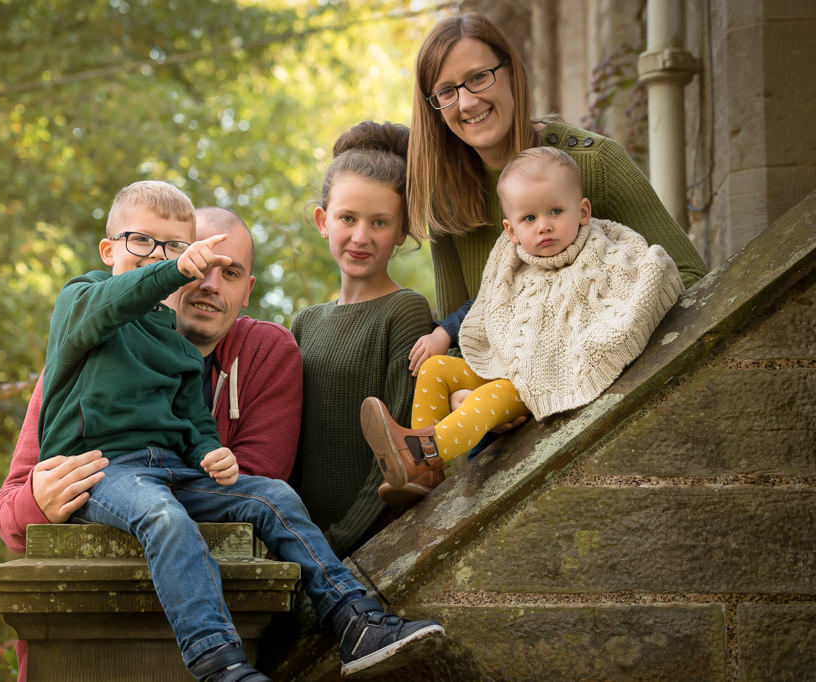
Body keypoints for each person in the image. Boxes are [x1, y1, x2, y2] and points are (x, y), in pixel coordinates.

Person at [34, 180, 445, 681]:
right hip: (103, 472)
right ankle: (220, 665)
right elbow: (116, 302)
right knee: (163, 517)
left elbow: (193, 421)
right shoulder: (81, 301)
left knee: (272, 496)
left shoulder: (177, 345)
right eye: (141, 241)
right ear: (109, 249)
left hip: (170, 470)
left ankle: (353, 619)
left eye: (172, 248)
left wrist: (211, 452)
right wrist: (174, 269)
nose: (155, 257)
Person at [362, 147, 685, 494]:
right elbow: (487, 305)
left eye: (556, 211)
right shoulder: (512, 265)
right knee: (436, 370)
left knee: (490, 397)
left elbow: (629, 295)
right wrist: (444, 331)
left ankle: (420, 452)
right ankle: (425, 476)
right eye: (529, 219)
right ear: (512, 231)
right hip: (509, 365)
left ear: (583, 211)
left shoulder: (600, 256)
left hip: (547, 375)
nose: (544, 225)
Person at [404, 12, 708, 376]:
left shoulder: (595, 162)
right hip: (505, 397)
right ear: (433, 108)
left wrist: (606, 348)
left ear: (512, 73)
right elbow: (463, 336)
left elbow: (691, 279)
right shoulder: (447, 200)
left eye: (479, 78)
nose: (466, 102)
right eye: (447, 91)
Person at [291, 121, 437, 551]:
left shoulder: (405, 312)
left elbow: (397, 449)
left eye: (379, 223)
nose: (360, 237)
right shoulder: (303, 323)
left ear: (402, 233)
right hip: (299, 540)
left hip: (366, 546)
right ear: (323, 221)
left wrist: (339, 543)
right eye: (347, 218)